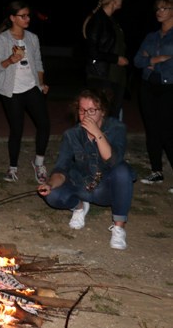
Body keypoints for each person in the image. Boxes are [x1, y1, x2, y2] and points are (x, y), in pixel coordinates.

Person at [37, 89, 134, 250]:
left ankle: (119, 227)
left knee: (123, 171)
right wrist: (50, 184)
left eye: (91, 111)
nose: (86, 115)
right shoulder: (72, 134)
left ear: (102, 111)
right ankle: (80, 207)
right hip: (81, 185)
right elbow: (61, 167)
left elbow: (112, 160)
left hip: (106, 189)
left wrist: (97, 133)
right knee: (53, 195)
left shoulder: (117, 128)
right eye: (82, 110)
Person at [0, 0, 50, 184]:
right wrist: (10, 60)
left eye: (28, 15)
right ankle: (12, 167)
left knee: (44, 124)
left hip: (32, 88)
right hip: (12, 91)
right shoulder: (2, 39)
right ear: (12, 18)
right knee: (17, 129)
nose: (27, 19)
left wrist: (41, 83)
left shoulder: (32, 38)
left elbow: (38, 63)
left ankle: (39, 163)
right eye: (23, 16)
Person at [133, 0, 173, 186]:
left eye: (163, 8)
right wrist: (156, 59)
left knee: (167, 131)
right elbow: (137, 61)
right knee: (152, 130)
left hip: (169, 87)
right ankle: (156, 171)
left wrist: (152, 60)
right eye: (157, 9)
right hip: (148, 86)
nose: (159, 12)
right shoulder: (151, 36)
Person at [82, 0, 129, 118]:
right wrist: (116, 59)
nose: (122, 0)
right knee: (102, 118)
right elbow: (92, 51)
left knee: (112, 118)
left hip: (115, 76)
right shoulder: (98, 20)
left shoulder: (111, 20)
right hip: (102, 76)